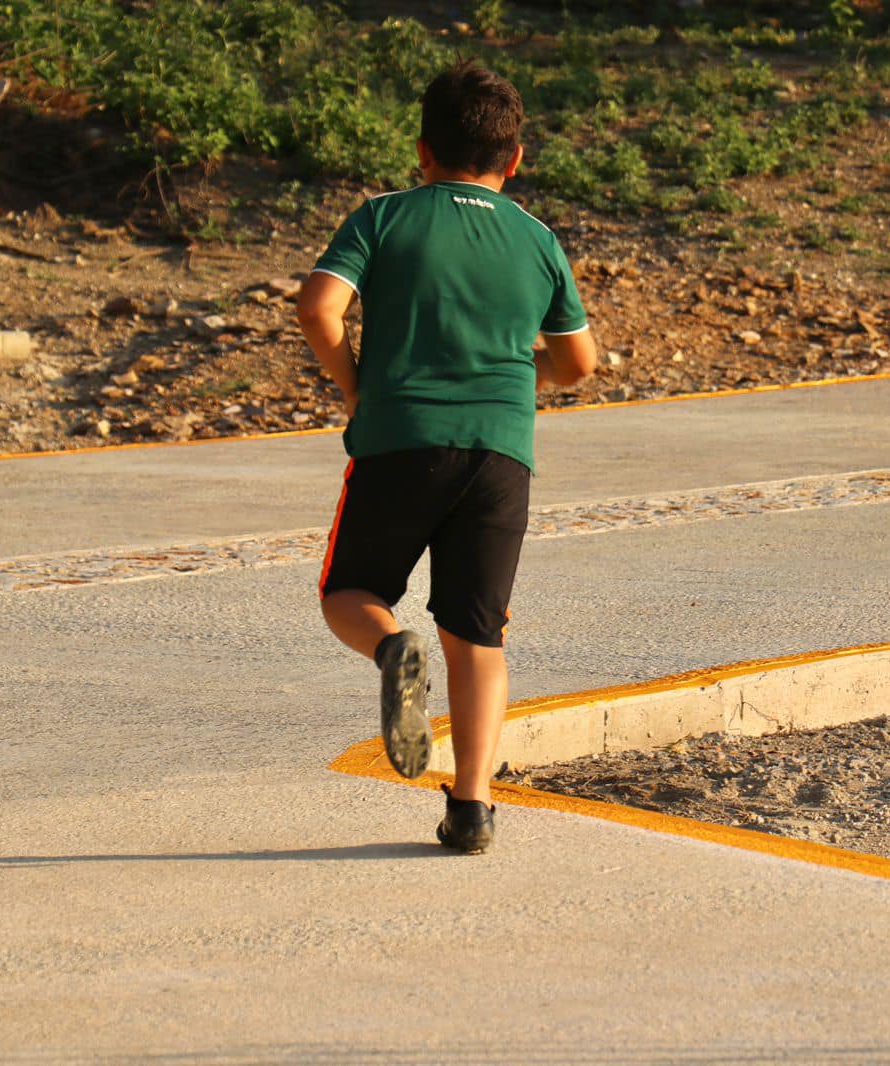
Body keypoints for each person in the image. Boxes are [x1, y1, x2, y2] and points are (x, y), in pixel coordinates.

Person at [296, 59, 598, 854]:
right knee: (478, 634)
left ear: (421, 151)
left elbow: (319, 308)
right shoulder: (538, 241)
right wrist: (516, 373)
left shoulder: (384, 217)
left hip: (399, 440)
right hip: (501, 456)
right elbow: (578, 364)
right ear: (516, 159)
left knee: (350, 592)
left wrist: (354, 384)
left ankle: (391, 648)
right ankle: (471, 808)